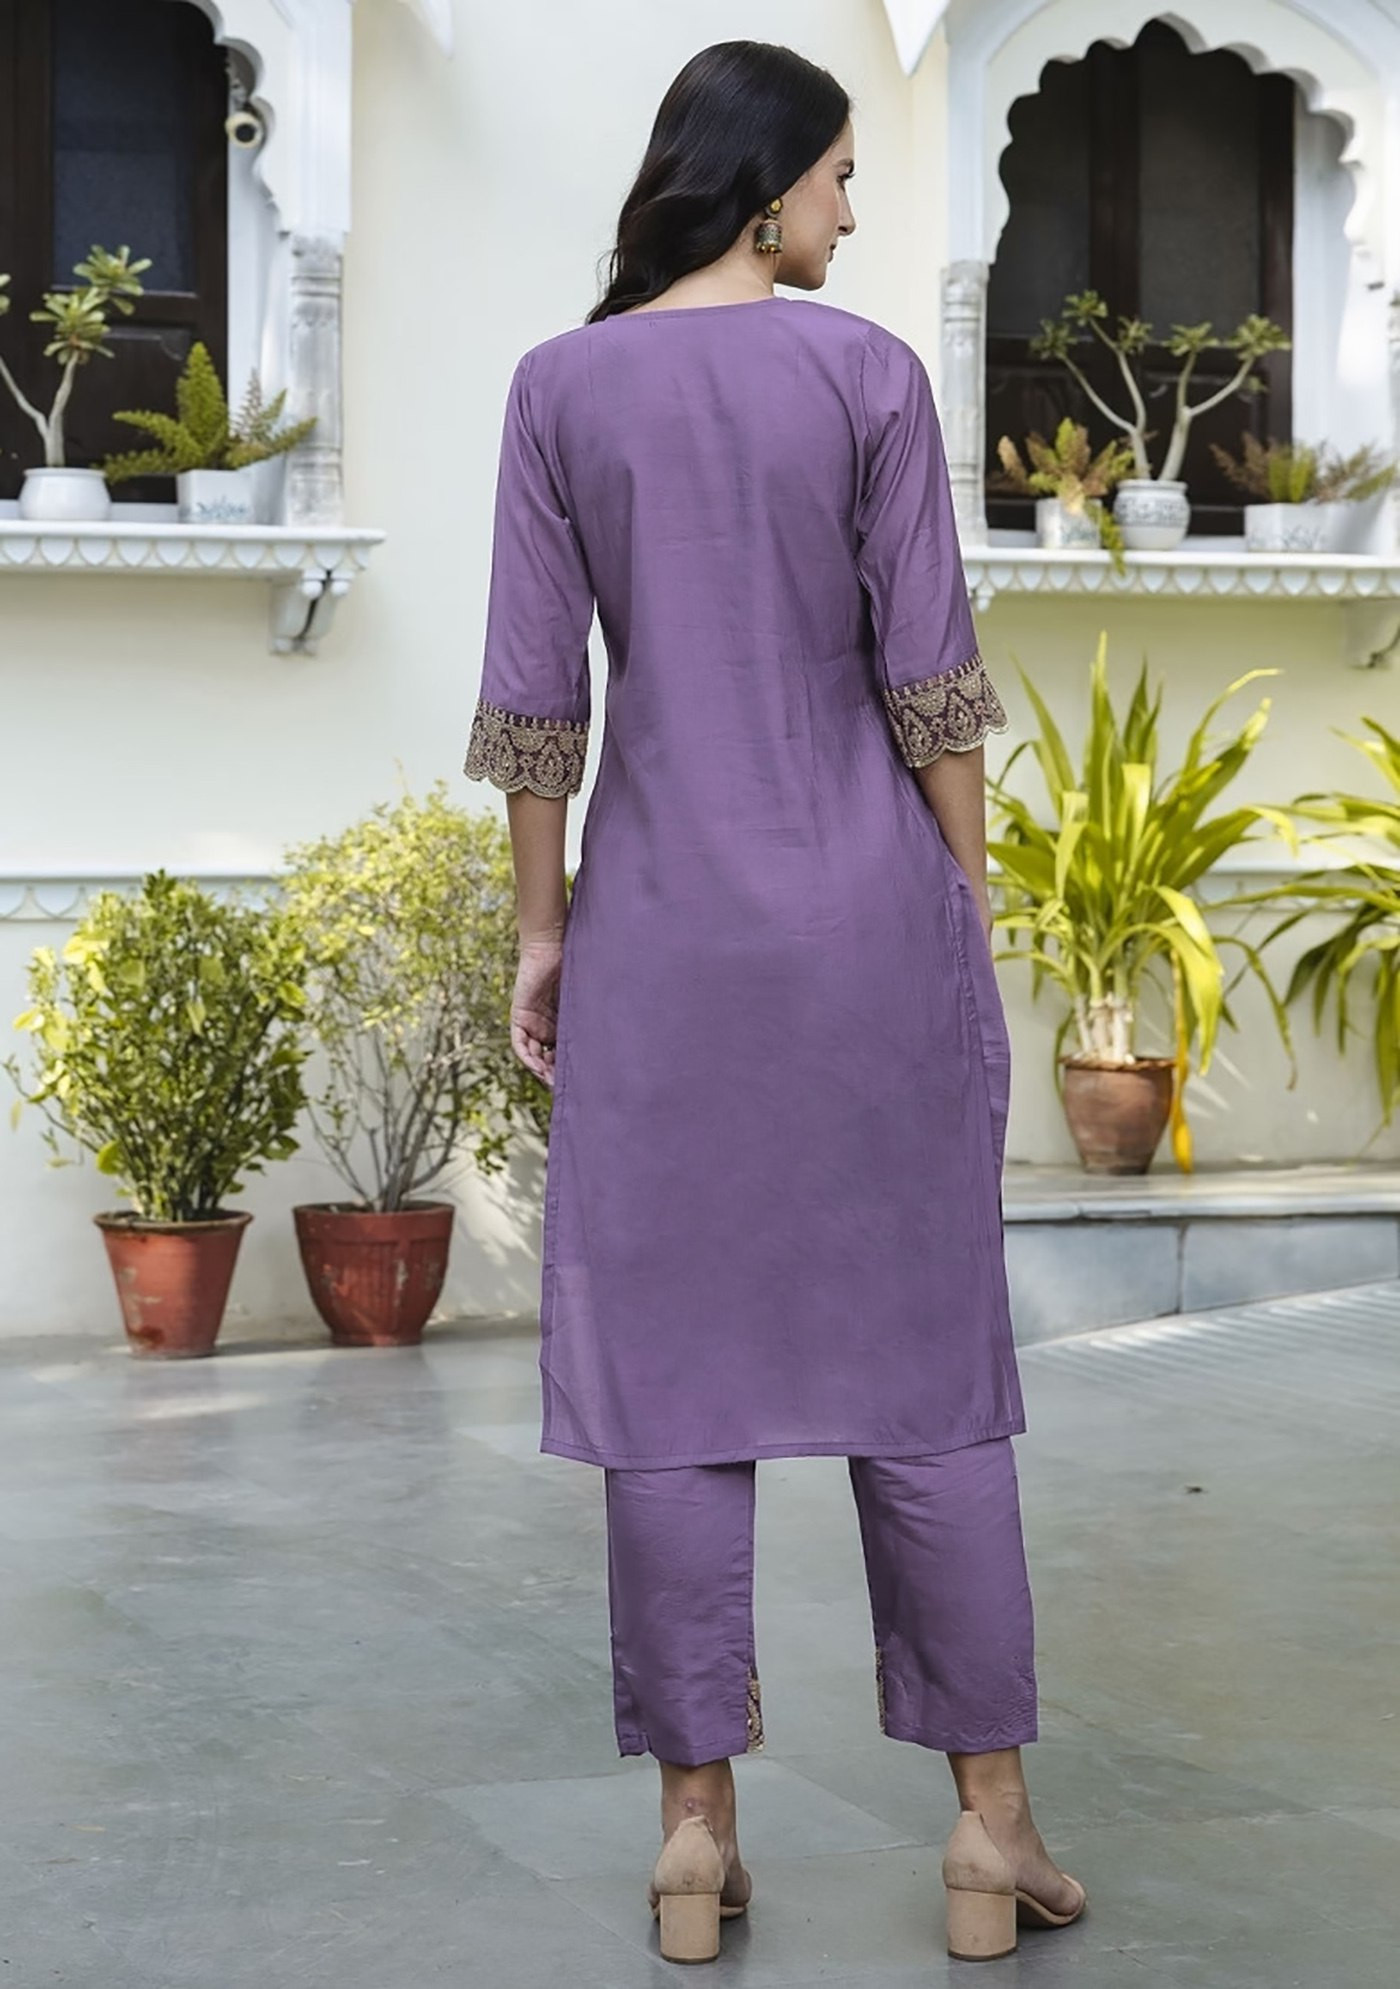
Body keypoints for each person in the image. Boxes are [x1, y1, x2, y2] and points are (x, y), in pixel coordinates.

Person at [462, 38, 1088, 1967]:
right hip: (864, 928)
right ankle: (989, 1828)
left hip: (662, 943)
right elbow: (934, 683)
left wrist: (543, 935)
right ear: (762, 190)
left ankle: (691, 1833)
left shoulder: (560, 387)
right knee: (932, 1382)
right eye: (836, 179)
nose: (849, 213)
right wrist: (964, 904)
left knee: (665, 1394)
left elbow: (535, 709)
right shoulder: (870, 375)